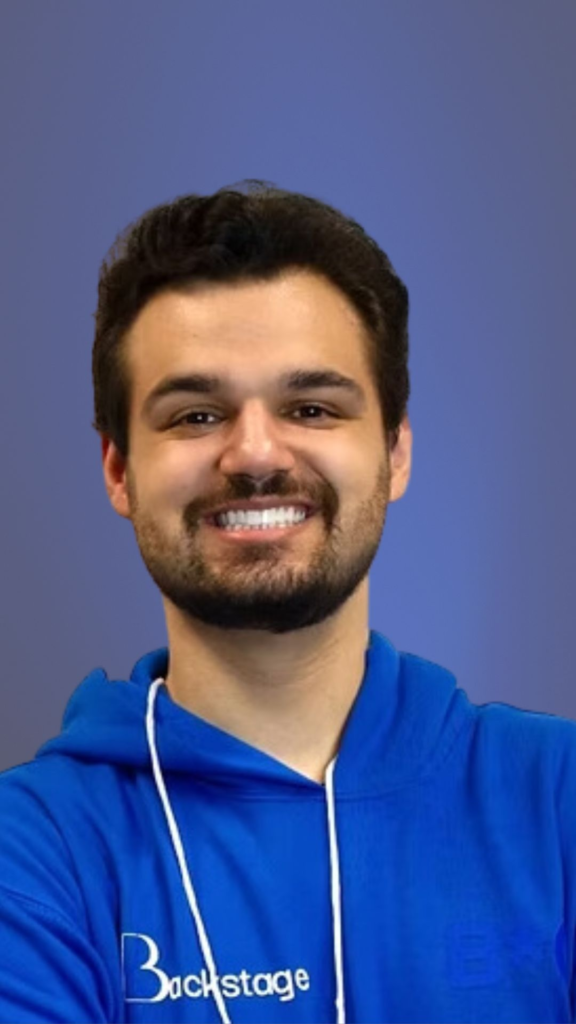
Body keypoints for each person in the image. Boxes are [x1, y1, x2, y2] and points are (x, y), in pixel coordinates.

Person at [0, 181, 574, 1024]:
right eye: (196, 415)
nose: (256, 454)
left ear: (395, 452)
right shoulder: (30, 851)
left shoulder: (558, 797)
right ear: (119, 470)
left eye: (311, 408)